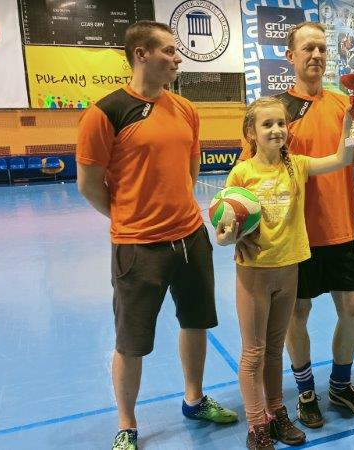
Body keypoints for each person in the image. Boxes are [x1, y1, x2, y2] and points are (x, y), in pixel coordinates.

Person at [75, 21, 237, 450]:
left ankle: (194, 400)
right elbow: (88, 184)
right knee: (131, 342)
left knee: (196, 323)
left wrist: (177, 206)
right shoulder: (105, 113)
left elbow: (191, 166)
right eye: (168, 50)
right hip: (137, 247)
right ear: (141, 54)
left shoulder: (185, 109)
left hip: (191, 238)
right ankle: (127, 424)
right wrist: (129, 217)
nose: (177, 58)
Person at [217, 96, 354, 449]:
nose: (276, 130)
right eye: (267, 124)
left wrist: (349, 121)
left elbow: (342, 158)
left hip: (289, 269)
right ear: (251, 132)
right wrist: (228, 237)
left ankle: (277, 411)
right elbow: (223, 231)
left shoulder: (296, 165)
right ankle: (257, 425)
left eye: (281, 123)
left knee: (273, 351)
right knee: (253, 352)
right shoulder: (242, 173)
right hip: (255, 272)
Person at [271, 21, 354, 428]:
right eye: (308, 48)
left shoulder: (344, 104)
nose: (316, 54)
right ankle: (305, 391)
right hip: (294, 234)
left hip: (340, 228)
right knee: (297, 313)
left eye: (321, 48)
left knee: (353, 309)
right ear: (291, 56)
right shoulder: (276, 110)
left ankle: (339, 385)